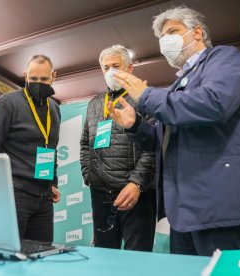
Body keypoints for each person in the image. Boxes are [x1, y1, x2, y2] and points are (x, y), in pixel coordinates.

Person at [107, 6, 240, 256]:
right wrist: (136, 125)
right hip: (185, 211)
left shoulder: (224, 58)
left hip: (221, 205)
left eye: (172, 31)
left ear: (197, 33)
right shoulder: (178, 84)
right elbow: (164, 140)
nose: (165, 42)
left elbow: (213, 103)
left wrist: (146, 96)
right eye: (162, 38)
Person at [80, 45, 156, 252]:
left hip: (135, 194)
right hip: (101, 194)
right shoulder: (95, 103)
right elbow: (85, 144)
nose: (110, 71)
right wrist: (90, 175)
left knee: (138, 258)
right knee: (104, 256)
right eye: (106, 67)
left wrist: (137, 183)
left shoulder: (146, 99)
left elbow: (153, 146)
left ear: (129, 68)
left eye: (116, 66)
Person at [0, 55, 61, 242]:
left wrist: (53, 182)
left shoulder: (55, 109)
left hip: (44, 198)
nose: (38, 83)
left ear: (53, 77)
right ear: (25, 76)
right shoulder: (8, 103)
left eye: (44, 79)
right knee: (8, 256)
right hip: (14, 196)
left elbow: (51, 148)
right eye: (33, 79)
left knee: (41, 257)